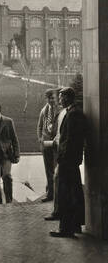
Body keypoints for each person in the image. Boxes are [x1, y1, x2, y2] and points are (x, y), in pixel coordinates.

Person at [50, 87, 87, 238]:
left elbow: (70, 140)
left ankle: (66, 229)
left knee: (65, 194)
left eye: (60, 97)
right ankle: (75, 225)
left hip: (68, 161)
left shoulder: (73, 114)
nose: (59, 100)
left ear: (67, 98)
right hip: (71, 161)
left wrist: (61, 159)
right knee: (74, 193)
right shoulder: (74, 112)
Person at [37, 89, 59, 202]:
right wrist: (41, 139)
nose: (51, 100)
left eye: (53, 98)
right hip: (46, 144)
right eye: (49, 98)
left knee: (56, 170)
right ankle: (50, 193)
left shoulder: (60, 110)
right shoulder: (44, 110)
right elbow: (40, 126)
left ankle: (57, 194)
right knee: (48, 170)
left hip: (56, 144)